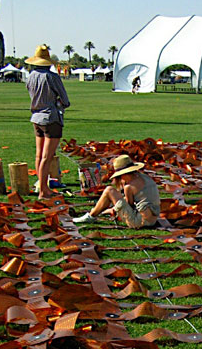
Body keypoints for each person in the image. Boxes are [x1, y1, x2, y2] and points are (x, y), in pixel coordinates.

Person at [25, 45, 70, 200]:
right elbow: (65, 100)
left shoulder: (30, 76)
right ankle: (44, 190)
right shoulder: (52, 77)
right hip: (51, 118)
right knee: (47, 156)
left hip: (36, 117)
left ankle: (41, 186)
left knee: (39, 156)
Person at [73, 155, 160, 227]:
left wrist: (113, 209)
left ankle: (90, 216)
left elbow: (129, 206)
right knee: (111, 193)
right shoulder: (144, 177)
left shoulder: (129, 186)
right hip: (152, 219)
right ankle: (94, 212)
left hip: (139, 222)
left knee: (109, 190)